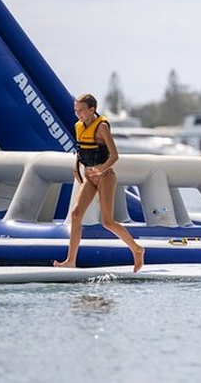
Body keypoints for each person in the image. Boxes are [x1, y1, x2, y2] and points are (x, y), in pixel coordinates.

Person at [54, 94, 145, 272]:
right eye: (75, 110)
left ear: (92, 110)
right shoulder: (78, 126)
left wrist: (101, 169)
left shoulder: (101, 127)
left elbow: (114, 155)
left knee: (107, 221)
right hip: (89, 176)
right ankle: (71, 260)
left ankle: (137, 250)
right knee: (75, 214)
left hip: (105, 177)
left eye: (81, 110)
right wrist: (76, 168)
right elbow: (81, 151)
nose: (77, 113)